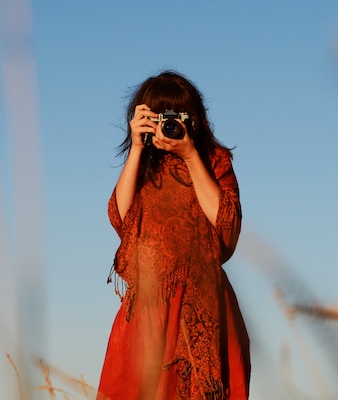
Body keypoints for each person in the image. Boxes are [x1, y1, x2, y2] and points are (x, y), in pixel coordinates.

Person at [96, 71, 250, 400]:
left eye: (179, 115)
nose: (171, 124)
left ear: (196, 118)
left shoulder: (214, 161)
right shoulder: (143, 165)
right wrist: (136, 148)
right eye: (159, 116)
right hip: (150, 304)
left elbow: (227, 226)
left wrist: (192, 156)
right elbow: (120, 220)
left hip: (205, 301)